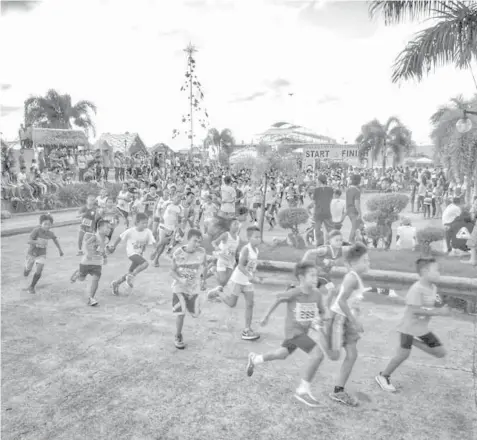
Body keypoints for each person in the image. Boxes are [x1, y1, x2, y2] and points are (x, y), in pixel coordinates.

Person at [246, 262, 329, 407]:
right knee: (318, 354)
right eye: (312, 275)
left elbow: (323, 312)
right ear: (301, 277)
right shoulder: (295, 292)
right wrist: (266, 316)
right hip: (293, 332)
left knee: (282, 354)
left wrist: (321, 319)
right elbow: (278, 299)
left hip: (303, 331)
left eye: (317, 275)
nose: (316, 278)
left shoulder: (316, 294)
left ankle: (255, 359)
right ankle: (302, 390)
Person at [375, 257, 449, 392]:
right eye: (436, 270)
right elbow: (414, 309)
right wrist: (439, 312)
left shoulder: (433, 287)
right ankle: (383, 376)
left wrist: (440, 306)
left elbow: (429, 304)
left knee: (440, 352)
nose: (439, 273)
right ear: (425, 272)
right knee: (403, 355)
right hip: (408, 328)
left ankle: (413, 342)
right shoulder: (416, 289)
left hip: (421, 329)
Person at [328, 242, 370, 406]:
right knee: (335, 353)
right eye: (365, 260)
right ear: (353, 263)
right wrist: (355, 321)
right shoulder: (352, 278)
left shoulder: (352, 276)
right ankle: (338, 390)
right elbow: (343, 301)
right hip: (341, 318)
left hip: (346, 319)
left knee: (352, 355)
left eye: (368, 260)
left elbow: (337, 292)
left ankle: (339, 390)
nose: (368, 263)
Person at [209, 226, 262, 341]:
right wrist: (251, 277)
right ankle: (218, 292)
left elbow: (250, 266)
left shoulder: (256, 250)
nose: (259, 239)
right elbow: (240, 266)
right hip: (238, 280)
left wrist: (254, 274)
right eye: (256, 237)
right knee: (232, 303)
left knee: (250, 304)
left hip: (247, 282)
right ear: (249, 238)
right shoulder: (246, 249)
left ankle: (247, 330)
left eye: (259, 237)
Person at [171, 228, 207, 349]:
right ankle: (178, 335)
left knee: (196, 314)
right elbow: (171, 271)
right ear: (188, 239)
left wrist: (203, 280)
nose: (197, 244)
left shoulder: (202, 252)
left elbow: (204, 266)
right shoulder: (178, 253)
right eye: (195, 241)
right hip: (179, 287)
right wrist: (181, 279)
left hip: (193, 288)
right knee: (181, 313)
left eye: (199, 242)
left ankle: (197, 306)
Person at [109, 213, 155, 293]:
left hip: (139, 254)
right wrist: (113, 247)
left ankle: (116, 283)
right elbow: (120, 237)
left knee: (130, 272)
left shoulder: (148, 232)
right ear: (137, 223)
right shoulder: (131, 231)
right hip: (131, 253)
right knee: (145, 264)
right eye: (143, 223)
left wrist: (155, 250)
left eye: (146, 223)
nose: (145, 225)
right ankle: (132, 276)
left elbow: (153, 242)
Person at [70, 219, 110, 306]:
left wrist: (105, 257)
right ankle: (78, 273)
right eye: (107, 227)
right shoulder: (94, 237)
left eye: (109, 228)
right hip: (87, 262)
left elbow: (102, 249)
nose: (109, 229)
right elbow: (86, 244)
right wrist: (87, 253)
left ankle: (91, 298)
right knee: (81, 278)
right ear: (99, 228)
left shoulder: (106, 239)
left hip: (97, 263)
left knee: (96, 279)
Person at [301, 230, 344, 308]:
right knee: (332, 290)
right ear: (330, 241)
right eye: (336, 240)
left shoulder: (340, 250)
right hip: (318, 273)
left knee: (311, 291)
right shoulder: (325, 250)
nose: (339, 242)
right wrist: (302, 264)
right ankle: (325, 309)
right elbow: (309, 252)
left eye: (341, 240)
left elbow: (336, 259)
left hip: (322, 275)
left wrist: (334, 263)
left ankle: (297, 295)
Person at [24, 214, 64, 294]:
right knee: (27, 270)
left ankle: (32, 287)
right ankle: (26, 270)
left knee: (39, 269)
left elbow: (55, 239)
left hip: (41, 254)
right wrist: (37, 242)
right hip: (31, 253)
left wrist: (60, 249)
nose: (47, 226)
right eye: (45, 224)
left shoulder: (50, 233)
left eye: (49, 224)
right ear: (41, 224)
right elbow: (28, 241)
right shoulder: (36, 230)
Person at [208, 218, 241, 295]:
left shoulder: (238, 238)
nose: (237, 226)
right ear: (230, 226)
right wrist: (216, 247)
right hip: (222, 259)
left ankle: (217, 293)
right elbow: (214, 242)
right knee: (222, 280)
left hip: (231, 261)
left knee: (224, 283)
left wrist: (237, 260)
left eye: (238, 224)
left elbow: (235, 250)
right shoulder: (226, 235)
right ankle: (213, 271)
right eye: (235, 224)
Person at [151, 193, 184, 267]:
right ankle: (155, 251)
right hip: (163, 225)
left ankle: (156, 259)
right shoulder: (167, 203)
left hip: (171, 228)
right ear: (174, 197)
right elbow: (159, 209)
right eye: (177, 197)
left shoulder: (180, 208)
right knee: (162, 240)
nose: (178, 199)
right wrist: (160, 217)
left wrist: (178, 229)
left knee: (163, 245)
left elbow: (180, 220)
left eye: (180, 198)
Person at [313, 175, 334, 246]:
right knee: (330, 229)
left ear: (319, 181)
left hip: (318, 212)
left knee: (317, 229)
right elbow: (330, 199)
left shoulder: (316, 190)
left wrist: (313, 214)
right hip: (327, 211)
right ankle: (332, 243)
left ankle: (319, 244)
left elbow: (315, 203)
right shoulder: (330, 189)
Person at [345, 174, 362, 244]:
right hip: (354, 211)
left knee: (356, 226)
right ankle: (350, 241)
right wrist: (360, 213)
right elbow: (356, 203)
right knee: (355, 227)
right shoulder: (357, 191)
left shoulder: (348, 190)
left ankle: (354, 241)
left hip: (348, 210)